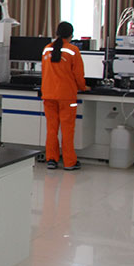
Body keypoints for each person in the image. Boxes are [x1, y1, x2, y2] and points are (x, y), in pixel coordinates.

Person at [40, 22, 88, 171]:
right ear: (71, 35)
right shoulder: (73, 50)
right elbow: (78, 75)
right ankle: (69, 162)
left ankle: (51, 159)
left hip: (48, 95)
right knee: (67, 130)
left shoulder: (47, 49)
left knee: (51, 129)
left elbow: (44, 71)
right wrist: (83, 87)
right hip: (66, 96)